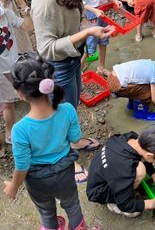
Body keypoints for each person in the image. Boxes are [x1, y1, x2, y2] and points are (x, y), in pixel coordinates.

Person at [31, 0, 115, 181]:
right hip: (56, 66)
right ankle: (68, 159)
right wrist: (85, 34)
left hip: (71, 61)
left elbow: (76, 20)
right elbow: (45, 48)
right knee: (60, 111)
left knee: (72, 104)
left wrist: (91, 30)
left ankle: (74, 141)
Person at [3, 53, 99, 230]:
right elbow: (76, 139)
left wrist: (13, 187)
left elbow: (22, 166)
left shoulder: (20, 130)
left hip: (37, 181)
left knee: (47, 212)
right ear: (49, 81)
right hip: (64, 173)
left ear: (20, 93)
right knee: (72, 205)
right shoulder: (67, 110)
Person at [86, 124, 155, 217]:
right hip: (98, 192)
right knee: (140, 170)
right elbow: (125, 205)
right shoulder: (125, 168)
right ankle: (113, 204)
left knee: (141, 163)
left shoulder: (131, 138)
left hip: (101, 174)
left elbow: (144, 158)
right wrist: (151, 203)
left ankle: (125, 190)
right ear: (149, 155)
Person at [0, 0, 33, 146]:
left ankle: (31, 127)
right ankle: (9, 132)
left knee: (22, 95)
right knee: (7, 103)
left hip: (13, 64)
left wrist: (23, 6)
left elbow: (28, 27)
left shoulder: (8, 14)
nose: (2, 3)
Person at [101, 52, 155, 120]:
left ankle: (131, 105)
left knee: (143, 86)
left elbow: (141, 77)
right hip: (117, 86)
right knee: (148, 92)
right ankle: (140, 114)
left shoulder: (150, 63)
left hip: (112, 77)